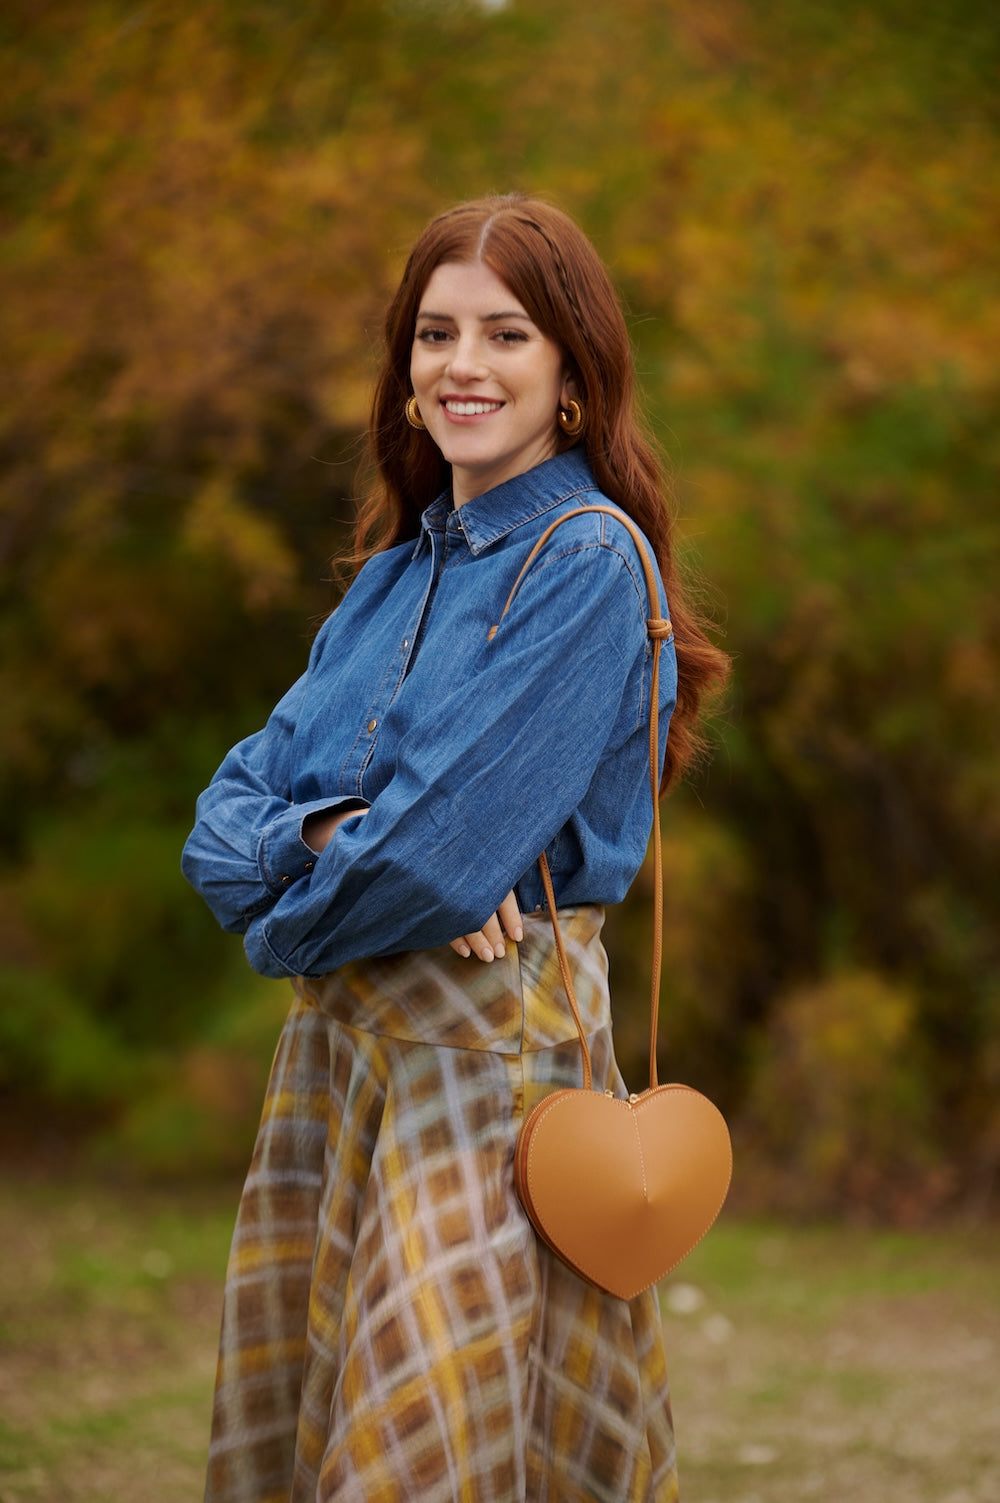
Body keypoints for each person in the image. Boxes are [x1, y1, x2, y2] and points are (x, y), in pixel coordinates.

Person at [182, 193, 728, 1503]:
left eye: (506, 334)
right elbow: (221, 819)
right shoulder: (388, 575)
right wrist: (326, 833)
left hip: (486, 1060)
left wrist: (282, 922)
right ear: (404, 365)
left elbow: (431, 862)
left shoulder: (586, 560)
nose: (463, 366)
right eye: (435, 334)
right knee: (326, 1417)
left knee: (436, 1436)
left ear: (572, 374)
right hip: (342, 1056)